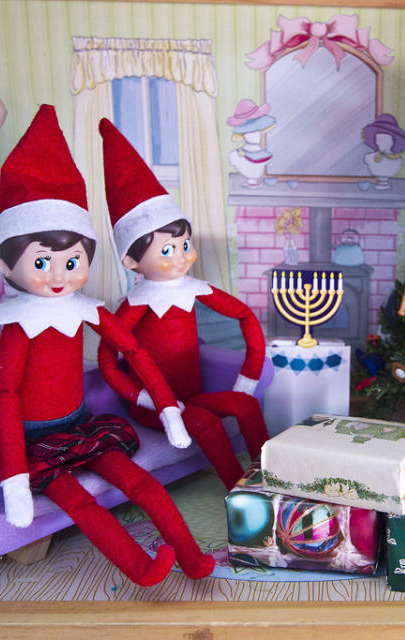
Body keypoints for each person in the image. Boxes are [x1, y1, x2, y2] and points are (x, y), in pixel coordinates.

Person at [0, 104, 214, 586]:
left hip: (79, 424)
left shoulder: (87, 309)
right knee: (78, 501)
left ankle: (192, 555)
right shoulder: (18, 325)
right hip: (29, 439)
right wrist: (14, 479)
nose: (60, 276)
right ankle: (140, 568)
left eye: (73, 261)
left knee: (140, 481)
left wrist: (168, 409)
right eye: (42, 262)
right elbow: (7, 397)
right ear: (5, 265)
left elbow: (134, 353)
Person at [96, 118, 269, 490]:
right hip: (155, 410)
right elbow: (108, 362)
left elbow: (244, 315)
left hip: (194, 395)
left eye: (184, 245)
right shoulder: (135, 305)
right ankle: (241, 494)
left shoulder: (193, 288)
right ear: (131, 261)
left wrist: (248, 377)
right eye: (166, 250)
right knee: (205, 423)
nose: (180, 257)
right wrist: (144, 398)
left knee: (247, 406)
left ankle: (272, 481)